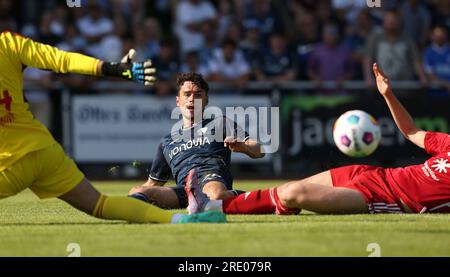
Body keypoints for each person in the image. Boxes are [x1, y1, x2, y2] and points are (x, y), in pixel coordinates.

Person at [0, 31, 225, 224]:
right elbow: (63, 60)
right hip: (44, 148)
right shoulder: (9, 42)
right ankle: (183, 219)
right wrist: (113, 69)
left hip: (10, 157)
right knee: (100, 204)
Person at [187, 63, 450, 215]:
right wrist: (387, 94)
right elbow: (411, 132)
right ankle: (212, 205)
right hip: (374, 174)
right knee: (287, 190)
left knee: (292, 193)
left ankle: (212, 211)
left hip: (382, 199)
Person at [128, 72, 264, 213]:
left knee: (214, 196)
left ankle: (253, 198)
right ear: (178, 101)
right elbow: (153, 183)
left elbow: (259, 150)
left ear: (206, 100)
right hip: (185, 192)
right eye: (187, 94)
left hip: (210, 180)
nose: (192, 99)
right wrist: (136, 193)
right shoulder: (166, 142)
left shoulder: (220, 123)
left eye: (198, 95)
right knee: (138, 191)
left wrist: (243, 147)